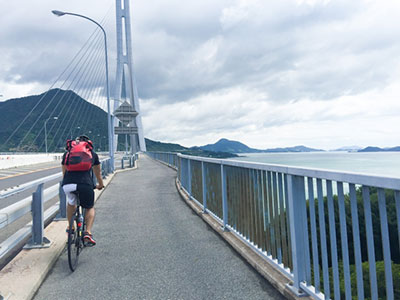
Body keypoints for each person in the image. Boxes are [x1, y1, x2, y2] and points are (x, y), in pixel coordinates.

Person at [61, 135, 104, 246]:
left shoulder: (67, 154)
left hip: (68, 185)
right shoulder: (92, 154)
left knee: (71, 203)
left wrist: (67, 183)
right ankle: (87, 233)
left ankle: (70, 227)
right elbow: (97, 173)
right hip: (85, 184)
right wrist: (100, 184)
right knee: (89, 207)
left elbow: (64, 173)